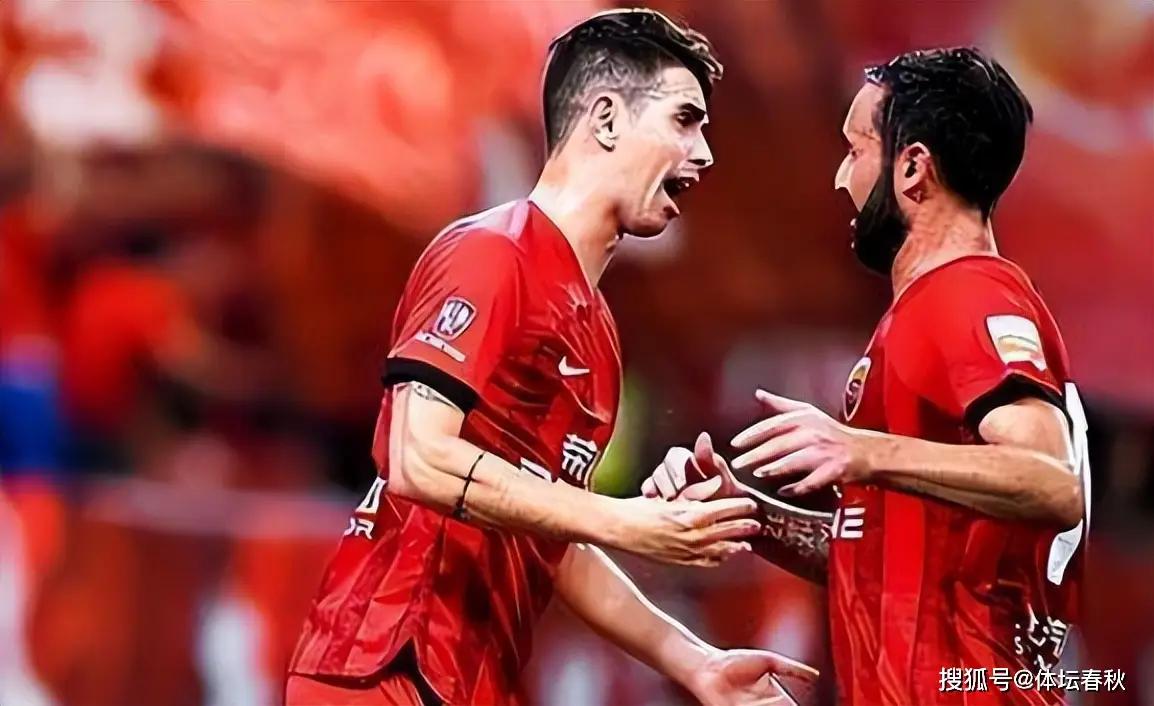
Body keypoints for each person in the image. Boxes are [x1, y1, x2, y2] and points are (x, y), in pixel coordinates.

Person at [286, 9, 816, 706]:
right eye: (685, 121)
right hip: (385, 669)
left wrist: (694, 661)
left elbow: (552, 538)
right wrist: (624, 520)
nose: (706, 154)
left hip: (476, 679)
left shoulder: (597, 334)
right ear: (606, 120)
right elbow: (418, 457)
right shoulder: (492, 255)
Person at [645, 48, 1090, 706]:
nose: (839, 179)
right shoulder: (928, 311)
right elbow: (884, 556)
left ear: (913, 168)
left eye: (855, 151)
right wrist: (750, 515)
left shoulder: (964, 296)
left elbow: (1051, 482)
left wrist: (862, 450)